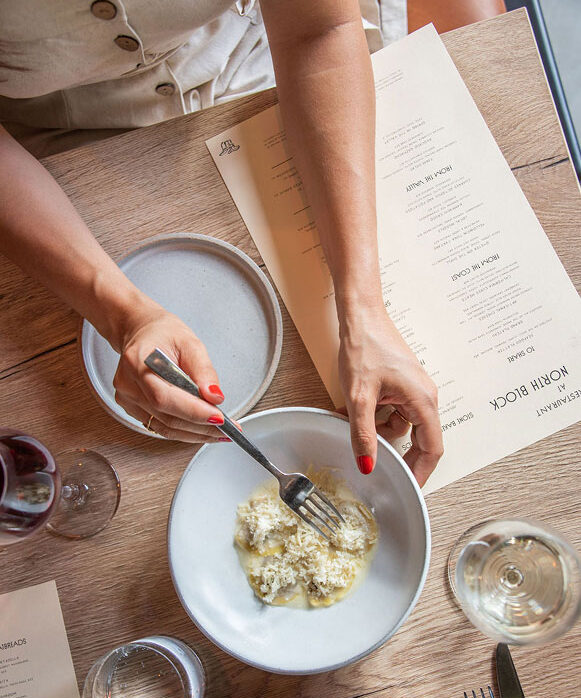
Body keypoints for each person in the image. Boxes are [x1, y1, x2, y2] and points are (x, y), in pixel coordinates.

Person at [0, 0, 504, 486]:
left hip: (262, 78)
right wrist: (121, 312)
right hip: (54, 164)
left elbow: (317, 31)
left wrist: (365, 312)